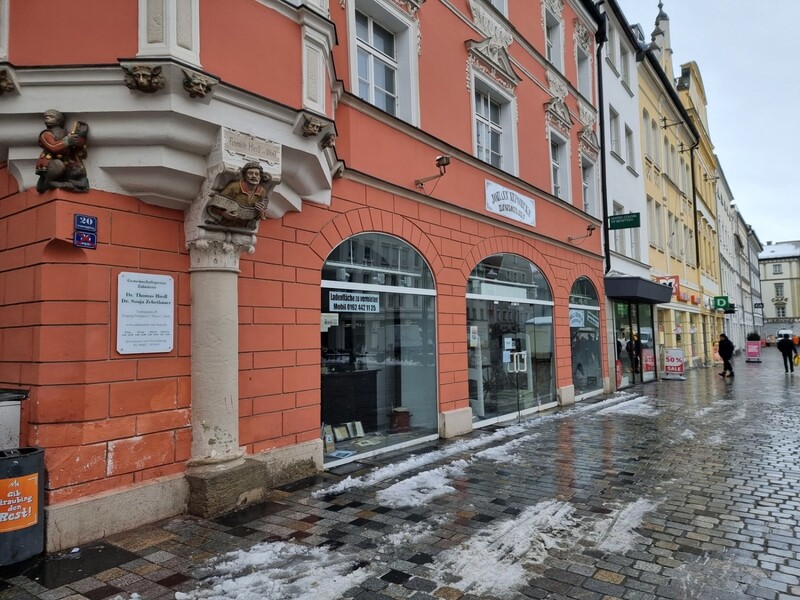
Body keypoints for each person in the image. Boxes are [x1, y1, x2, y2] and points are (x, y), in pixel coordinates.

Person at [35, 109, 90, 193]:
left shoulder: (65, 132)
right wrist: (67, 141)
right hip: (51, 162)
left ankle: (75, 182)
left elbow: (73, 147)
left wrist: (80, 136)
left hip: (66, 161)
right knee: (58, 165)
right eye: (46, 117)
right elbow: (52, 146)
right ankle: (50, 182)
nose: (47, 119)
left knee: (77, 170)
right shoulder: (46, 134)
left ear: (59, 120)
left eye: (51, 116)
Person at [205, 161, 270, 229]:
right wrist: (223, 214)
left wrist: (261, 212)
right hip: (226, 224)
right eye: (250, 173)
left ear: (260, 177)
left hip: (245, 227)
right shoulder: (234, 187)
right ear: (244, 175)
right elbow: (214, 206)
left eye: (257, 174)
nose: (254, 176)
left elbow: (260, 215)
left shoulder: (262, 192)